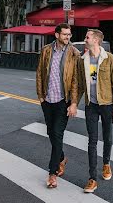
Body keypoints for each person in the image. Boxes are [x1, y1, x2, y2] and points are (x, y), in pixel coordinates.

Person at [78, 29, 113, 194]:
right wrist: (74, 102)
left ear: (96, 40)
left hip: (107, 104)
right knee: (92, 141)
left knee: (108, 137)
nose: (85, 39)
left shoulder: (109, 59)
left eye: (87, 37)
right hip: (91, 105)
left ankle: (106, 163)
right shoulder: (84, 60)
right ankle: (92, 178)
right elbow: (82, 85)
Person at [36, 23, 80, 189]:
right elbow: (40, 73)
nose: (68, 37)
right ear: (56, 35)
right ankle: (61, 158)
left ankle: (52, 173)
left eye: (69, 35)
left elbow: (75, 81)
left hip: (63, 101)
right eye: (65, 34)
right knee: (51, 133)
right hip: (47, 101)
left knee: (57, 133)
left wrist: (74, 103)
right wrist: (41, 96)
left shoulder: (74, 53)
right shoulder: (46, 50)